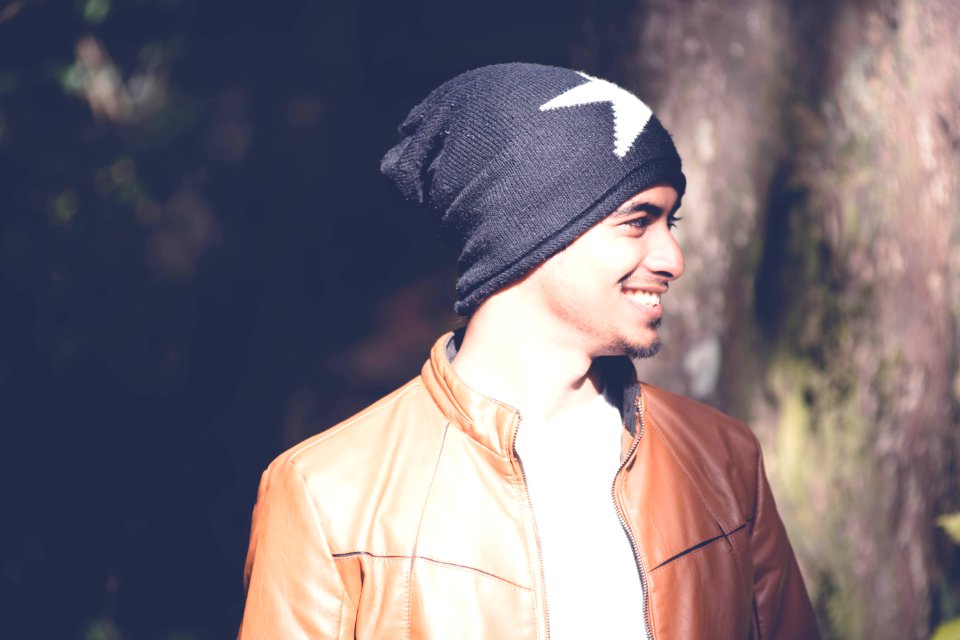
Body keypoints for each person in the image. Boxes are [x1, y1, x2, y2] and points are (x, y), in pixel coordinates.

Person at [238, 62, 820, 639]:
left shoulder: (722, 458)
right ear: (528, 233)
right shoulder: (326, 492)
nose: (673, 258)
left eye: (672, 221)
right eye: (638, 221)